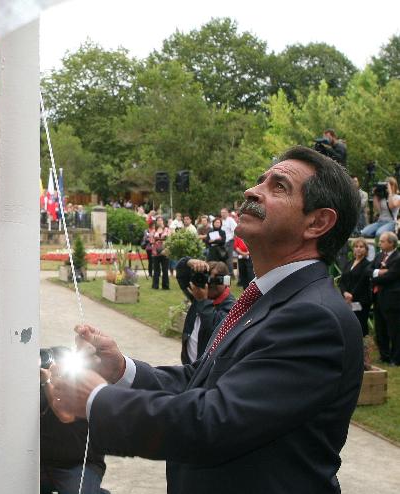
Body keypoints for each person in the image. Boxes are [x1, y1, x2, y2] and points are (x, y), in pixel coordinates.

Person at [51, 146, 362, 494]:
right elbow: (201, 381)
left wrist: (95, 400)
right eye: (261, 180)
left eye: (279, 186)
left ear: (317, 222)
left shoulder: (313, 317)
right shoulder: (269, 297)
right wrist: (122, 371)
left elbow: (214, 421)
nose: (252, 191)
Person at [40, 351, 106, 494]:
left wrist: (47, 382)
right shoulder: (39, 389)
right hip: (42, 463)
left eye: (60, 373)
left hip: (79, 465)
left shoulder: (82, 392)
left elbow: (65, 415)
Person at [175, 259, 235, 364]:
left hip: (206, 373)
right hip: (189, 367)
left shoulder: (232, 307)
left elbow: (214, 329)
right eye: (206, 278)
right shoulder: (198, 293)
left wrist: (203, 300)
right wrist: (189, 262)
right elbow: (180, 274)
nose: (209, 284)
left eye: (216, 279)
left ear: (226, 282)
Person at [370, 231, 400, 365]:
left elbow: (392, 276)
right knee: (380, 327)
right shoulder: (378, 256)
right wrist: (379, 272)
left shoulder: (398, 258)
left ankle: (396, 358)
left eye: (382, 241)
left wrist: (375, 276)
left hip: (392, 298)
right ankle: (384, 355)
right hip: (378, 297)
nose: (379, 243)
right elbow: (368, 270)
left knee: (394, 329)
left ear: (391, 243)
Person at [339, 237, 372, 337]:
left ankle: (361, 349)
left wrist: (351, 296)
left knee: (359, 326)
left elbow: (362, 283)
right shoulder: (349, 263)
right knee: (347, 325)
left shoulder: (368, 265)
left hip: (360, 300)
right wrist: (344, 293)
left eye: (361, 247)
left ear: (366, 249)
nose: (358, 249)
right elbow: (342, 281)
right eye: (356, 246)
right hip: (346, 299)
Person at [151, 217, 170, 290]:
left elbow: (169, 240)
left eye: (161, 220)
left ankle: (165, 286)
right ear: (156, 222)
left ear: (163, 221)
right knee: (156, 270)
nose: (159, 222)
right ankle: (155, 285)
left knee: (165, 270)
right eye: (158, 220)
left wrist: (166, 248)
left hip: (165, 251)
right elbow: (151, 241)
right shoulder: (153, 230)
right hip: (155, 252)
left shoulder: (167, 229)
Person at [220, 208, 237, 276]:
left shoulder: (230, 220)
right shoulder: (221, 221)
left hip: (229, 241)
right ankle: (224, 273)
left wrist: (232, 239)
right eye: (221, 212)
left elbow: (235, 230)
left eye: (224, 212)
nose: (223, 214)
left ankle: (231, 274)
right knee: (222, 257)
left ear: (227, 213)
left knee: (229, 258)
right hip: (222, 242)